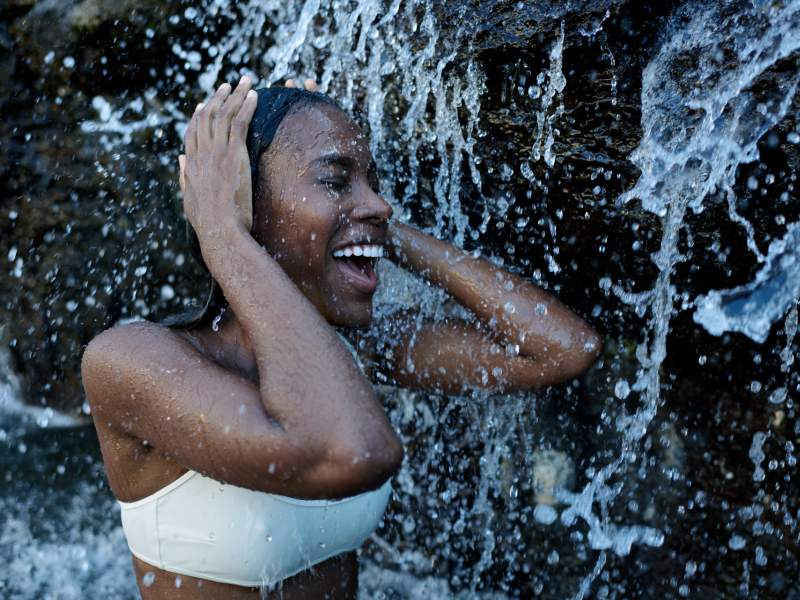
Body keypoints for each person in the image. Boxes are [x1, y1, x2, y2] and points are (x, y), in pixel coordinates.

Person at [81, 75, 602, 599]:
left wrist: (373, 231)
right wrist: (221, 231)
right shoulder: (131, 362)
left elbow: (561, 348)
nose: (381, 203)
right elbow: (352, 451)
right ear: (245, 202)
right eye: (335, 180)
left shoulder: (348, 346)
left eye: (372, 183)